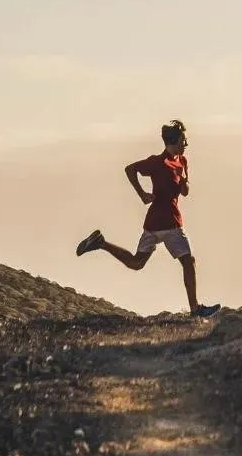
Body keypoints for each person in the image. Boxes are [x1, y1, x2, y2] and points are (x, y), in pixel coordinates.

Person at [76, 119, 221, 318]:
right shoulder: (157, 162)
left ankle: (101, 243)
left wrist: (184, 176)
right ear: (174, 141)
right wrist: (142, 194)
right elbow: (130, 169)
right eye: (183, 140)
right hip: (167, 222)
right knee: (188, 262)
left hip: (158, 222)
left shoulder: (182, 161)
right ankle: (195, 309)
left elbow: (185, 192)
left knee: (138, 263)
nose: (186, 144)